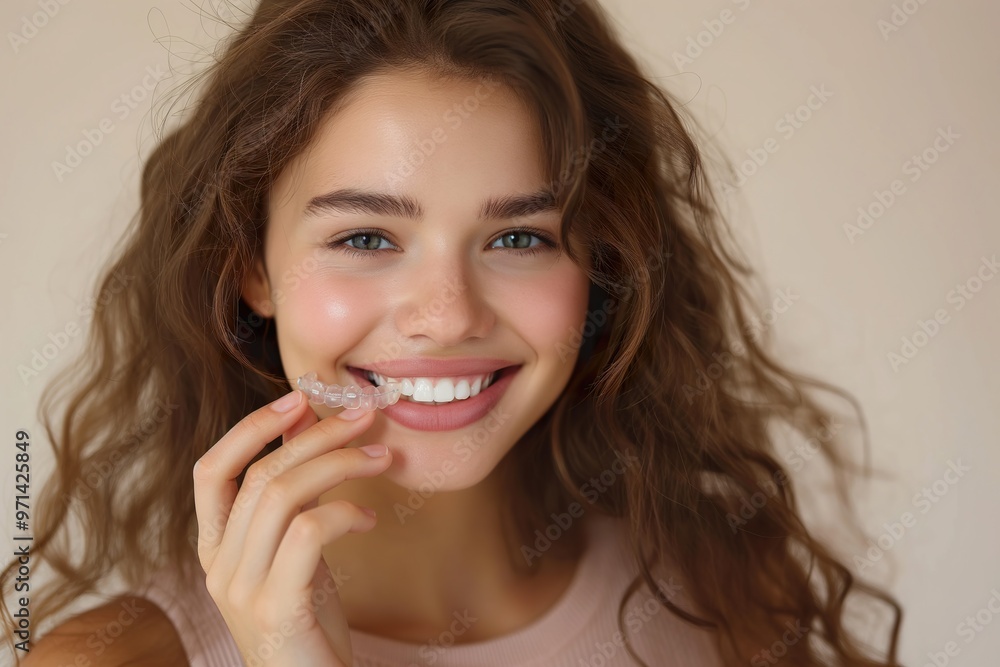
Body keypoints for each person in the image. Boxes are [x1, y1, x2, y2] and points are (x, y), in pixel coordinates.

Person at [1, 0, 903, 665]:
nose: (448, 314)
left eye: (518, 237)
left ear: (600, 262)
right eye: (364, 237)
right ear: (249, 267)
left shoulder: (723, 589)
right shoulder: (110, 659)